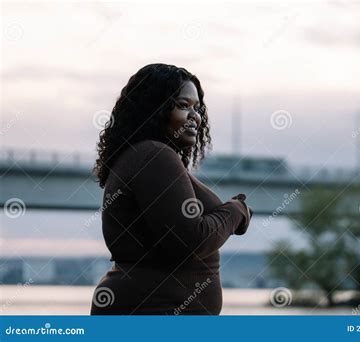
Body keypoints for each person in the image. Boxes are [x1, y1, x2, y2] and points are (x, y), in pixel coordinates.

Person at [90, 63, 253, 315]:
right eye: (182, 105)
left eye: (197, 108)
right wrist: (236, 211)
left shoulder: (143, 156)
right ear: (153, 109)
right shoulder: (154, 156)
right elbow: (189, 239)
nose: (194, 116)